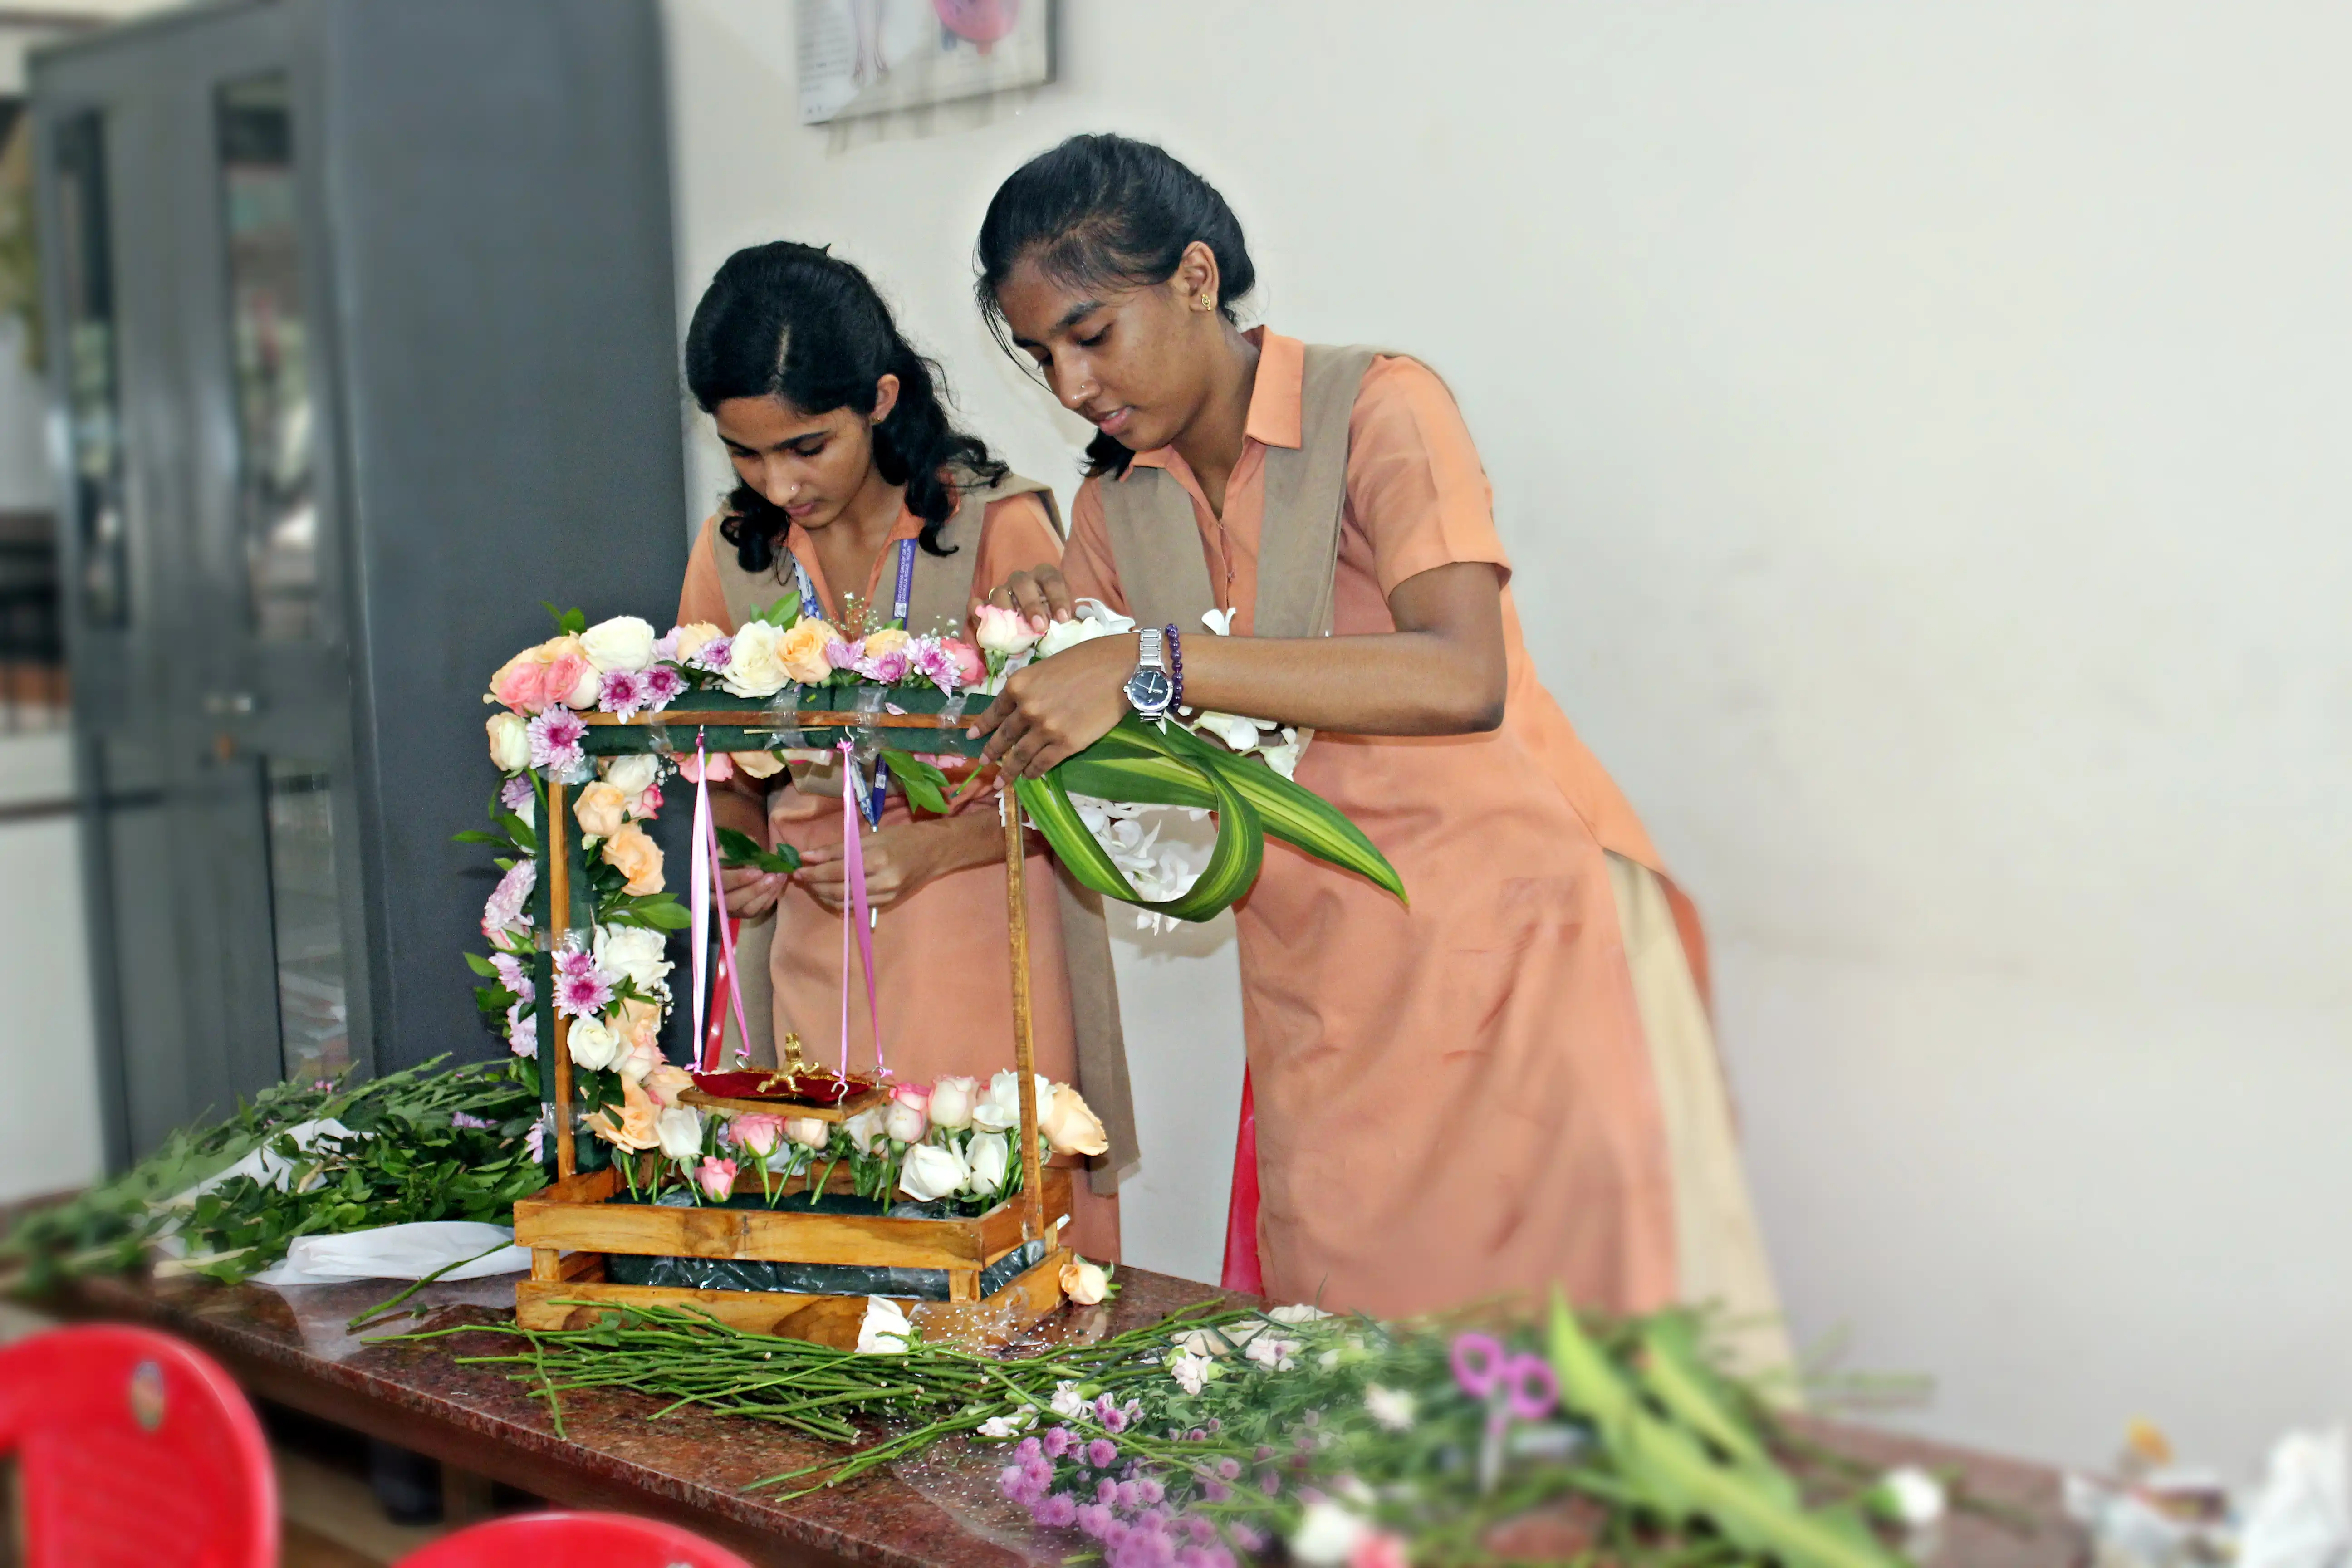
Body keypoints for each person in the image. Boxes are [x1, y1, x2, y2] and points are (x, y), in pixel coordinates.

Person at [968, 136, 1787, 1365]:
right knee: (1359, 1373)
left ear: (1196, 278)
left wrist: (1155, 660)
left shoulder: (1379, 406)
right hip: (1322, 988)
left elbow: (1462, 674)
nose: (1074, 384)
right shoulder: (1115, 510)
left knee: (1552, 1382)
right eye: (1043, 357)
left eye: (1093, 334)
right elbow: (1128, 782)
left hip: (1512, 945)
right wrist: (1023, 665)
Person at [674, 240, 1132, 1260]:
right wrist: (740, 847)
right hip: (811, 934)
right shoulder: (733, 552)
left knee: (986, 1235)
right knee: (822, 1234)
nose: (777, 483)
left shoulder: (992, 526)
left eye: (805, 446)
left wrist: (931, 852)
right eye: (745, 453)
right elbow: (719, 757)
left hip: (974, 926)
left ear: (880, 400)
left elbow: (1080, 779)